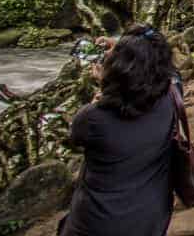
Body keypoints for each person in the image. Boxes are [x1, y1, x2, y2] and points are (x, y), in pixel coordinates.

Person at [59, 25, 179, 236]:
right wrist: (133, 50)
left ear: (116, 70)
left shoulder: (92, 118)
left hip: (97, 223)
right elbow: (170, 73)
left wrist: (103, 86)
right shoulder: (171, 97)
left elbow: (77, 138)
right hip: (152, 216)